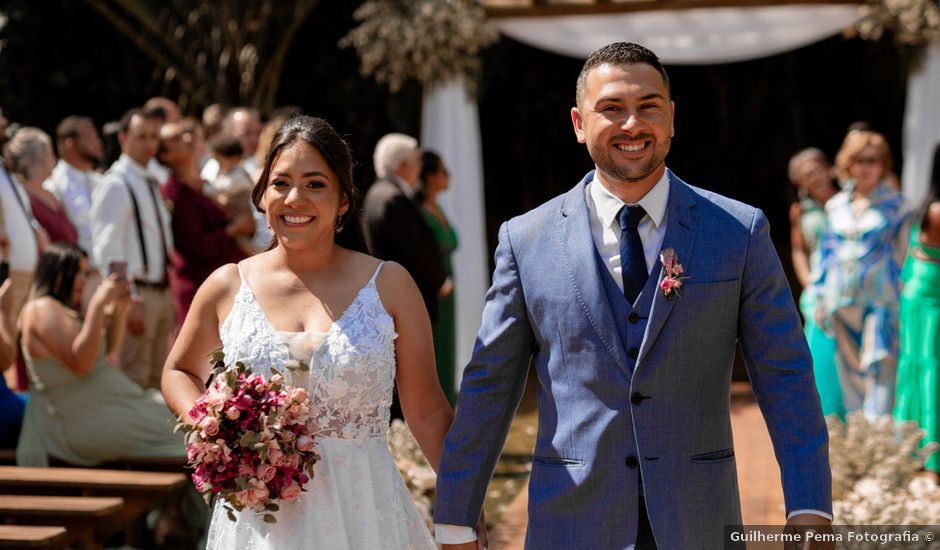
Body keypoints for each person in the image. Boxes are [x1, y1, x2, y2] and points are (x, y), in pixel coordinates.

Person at [434, 42, 832, 550]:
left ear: (671, 118)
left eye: (648, 107)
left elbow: (785, 374)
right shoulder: (525, 240)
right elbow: (490, 384)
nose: (632, 124)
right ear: (579, 124)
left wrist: (810, 505)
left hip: (699, 521)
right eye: (612, 108)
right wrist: (455, 515)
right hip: (571, 522)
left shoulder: (738, 231)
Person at [162, 115, 453, 549]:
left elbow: (427, 410)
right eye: (281, 183)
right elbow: (180, 370)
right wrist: (214, 426)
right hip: (260, 523)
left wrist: (462, 508)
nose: (295, 198)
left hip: (365, 517)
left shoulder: (390, 285)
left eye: (315, 184)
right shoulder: (227, 284)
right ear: (262, 195)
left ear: (343, 201)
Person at [15, 243, 184, 467]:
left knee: (184, 422)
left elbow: (107, 350)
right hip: (75, 422)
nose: (84, 281)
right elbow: (81, 362)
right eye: (80, 273)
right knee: (185, 431)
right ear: (58, 272)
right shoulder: (40, 308)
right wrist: (98, 303)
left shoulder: (63, 311)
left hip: (108, 408)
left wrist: (119, 310)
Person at [809, 130, 908, 418]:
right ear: (848, 164)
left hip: (881, 303)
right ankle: (860, 447)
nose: (866, 167)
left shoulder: (898, 206)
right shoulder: (835, 205)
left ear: (883, 164)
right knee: (849, 375)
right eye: (859, 160)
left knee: (879, 368)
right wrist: (818, 297)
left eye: (873, 160)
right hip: (840, 300)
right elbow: (824, 257)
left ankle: (879, 446)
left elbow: (904, 256)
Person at [91, 108, 175, 389]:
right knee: (133, 380)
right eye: (141, 137)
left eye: (153, 137)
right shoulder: (116, 182)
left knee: (157, 379)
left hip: (160, 293)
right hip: (137, 295)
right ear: (123, 138)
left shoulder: (149, 179)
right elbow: (109, 248)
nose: (149, 143)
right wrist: (129, 301)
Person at [157, 121, 249, 328]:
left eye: (187, 134)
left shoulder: (204, 184)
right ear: (165, 155)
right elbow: (196, 246)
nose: (187, 139)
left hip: (227, 288)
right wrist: (235, 229)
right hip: (200, 290)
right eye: (176, 139)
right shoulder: (175, 193)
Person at [363, 133, 451, 324]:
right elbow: (415, 250)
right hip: (407, 298)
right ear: (403, 165)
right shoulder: (394, 199)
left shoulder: (376, 192)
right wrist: (440, 281)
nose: (419, 168)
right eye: (416, 161)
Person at [894, 143, 940, 476]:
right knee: (930, 374)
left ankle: (912, 452)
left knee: (919, 370)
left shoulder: (926, 206)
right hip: (930, 300)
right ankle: (930, 459)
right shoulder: (937, 211)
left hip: (919, 295)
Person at [788, 148, 842, 418]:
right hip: (818, 289)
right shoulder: (799, 211)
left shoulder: (848, 201)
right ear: (799, 182)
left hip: (847, 287)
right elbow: (799, 249)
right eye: (806, 173)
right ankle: (823, 415)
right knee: (818, 351)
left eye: (818, 168)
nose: (814, 175)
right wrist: (806, 280)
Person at [418, 150, 459, 405]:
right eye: (443, 171)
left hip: (448, 290)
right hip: (432, 291)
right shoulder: (419, 211)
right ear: (430, 177)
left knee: (447, 347)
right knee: (434, 347)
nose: (448, 176)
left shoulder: (439, 206)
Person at [44, 116, 105, 255]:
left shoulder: (101, 182)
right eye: (90, 138)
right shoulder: (54, 185)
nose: (98, 143)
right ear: (70, 144)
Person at [5, 128, 78, 245]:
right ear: (32, 160)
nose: (54, 159)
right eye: (49, 154)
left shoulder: (51, 193)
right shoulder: (22, 198)